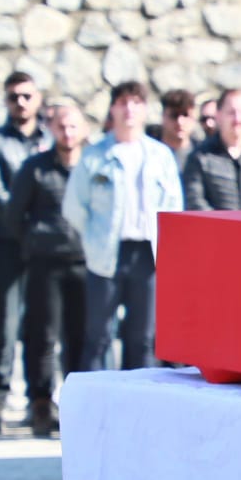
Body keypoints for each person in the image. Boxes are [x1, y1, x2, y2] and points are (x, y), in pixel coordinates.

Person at [65, 81, 183, 372]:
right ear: (113, 109)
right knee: (99, 336)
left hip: (146, 253)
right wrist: (94, 241)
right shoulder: (94, 155)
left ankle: (140, 408)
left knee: (142, 338)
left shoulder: (160, 156)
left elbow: (173, 206)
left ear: (145, 110)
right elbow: (74, 207)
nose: (129, 109)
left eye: (136, 103)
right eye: (123, 103)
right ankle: (95, 410)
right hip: (107, 252)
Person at [3, 100, 90, 438]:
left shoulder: (93, 166)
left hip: (85, 264)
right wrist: (34, 242)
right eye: (61, 126)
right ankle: (40, 403)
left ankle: (78, 405)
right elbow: (14, 215)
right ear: (52, 129)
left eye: (73, 126)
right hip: (45, 264)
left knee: (81, 338)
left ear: (83, 129)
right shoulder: (35, 168)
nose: (67, 133)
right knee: (42, 337)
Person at [0, 72, 51, 434]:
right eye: (14, 96)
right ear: (5, 101)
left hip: (44, 251)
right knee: (2, 330)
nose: (20, 102)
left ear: (38, 99)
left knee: (43, 329)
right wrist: (25, 219)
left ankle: (41, 405)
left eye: (26, 96)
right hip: (6, 244)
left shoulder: (51, 141)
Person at [157, 89, 198, 174]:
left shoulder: (201, 155)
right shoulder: (150, 153)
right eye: (174, 115)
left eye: (185, 115)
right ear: (163, 117)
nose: (180, 122)